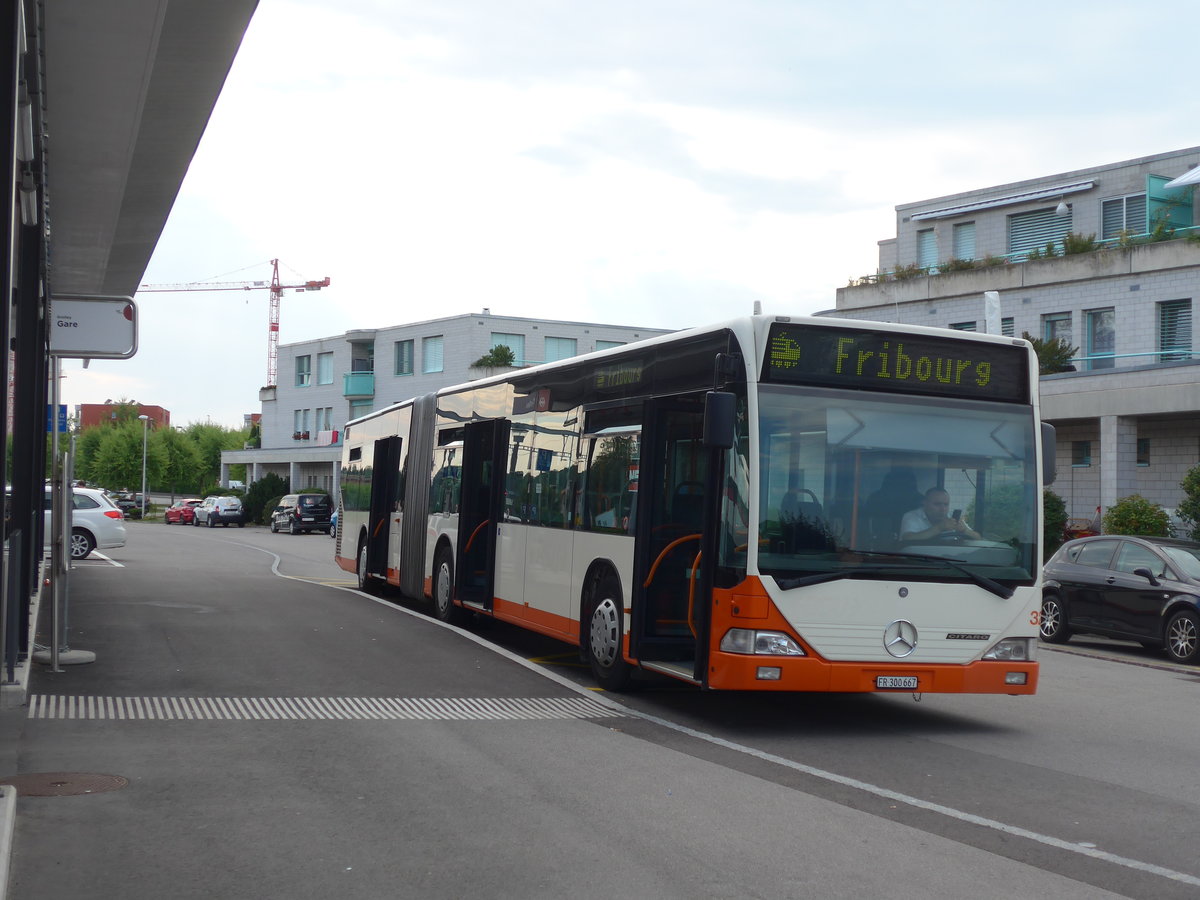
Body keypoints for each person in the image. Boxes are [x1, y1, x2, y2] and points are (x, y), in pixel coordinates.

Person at [899, 487, 979, 542]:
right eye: (937, 504)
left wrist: (965, 530)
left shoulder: (952, 517)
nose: (943, 509)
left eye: (946, 504)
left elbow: (978, 538)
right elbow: (907, 539)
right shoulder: (912, 516)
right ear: (925, 503)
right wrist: (939, 528)